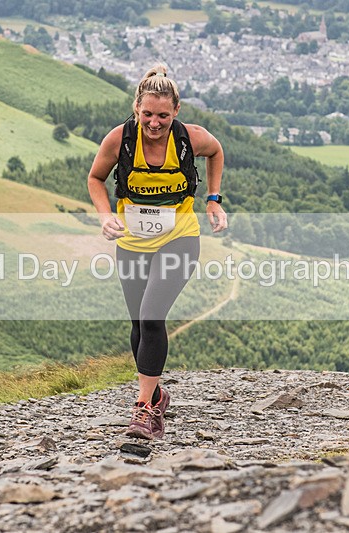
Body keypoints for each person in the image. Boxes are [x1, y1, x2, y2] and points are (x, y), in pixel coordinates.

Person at [87, 64, 228, 440]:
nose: (154, 123)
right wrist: (104, 215)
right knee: (138, 325)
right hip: (132, 244)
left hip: (178, 239)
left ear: (176, 111)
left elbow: (216, 152)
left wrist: (213, 200)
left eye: (163, 116)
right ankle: (156, 395)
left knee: (151, 318)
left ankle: (144, 411)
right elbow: (95, 178)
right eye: (147, 114)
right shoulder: (119, 140)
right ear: (136, 108)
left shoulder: (190, 138)